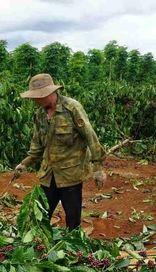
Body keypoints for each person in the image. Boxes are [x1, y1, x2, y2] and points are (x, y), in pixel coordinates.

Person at [15, 73, 106, 230]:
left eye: (37, 96)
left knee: (72, 217)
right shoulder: (39, 115)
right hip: (49, 173)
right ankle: (40, 245)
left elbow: (90, 136)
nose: (34, 100)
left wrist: (97, 168)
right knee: (41, 214)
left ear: (49, 93)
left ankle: (74, 247)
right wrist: (25, 163)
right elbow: (37, 144)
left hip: (71, 172)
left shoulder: (72, 108)